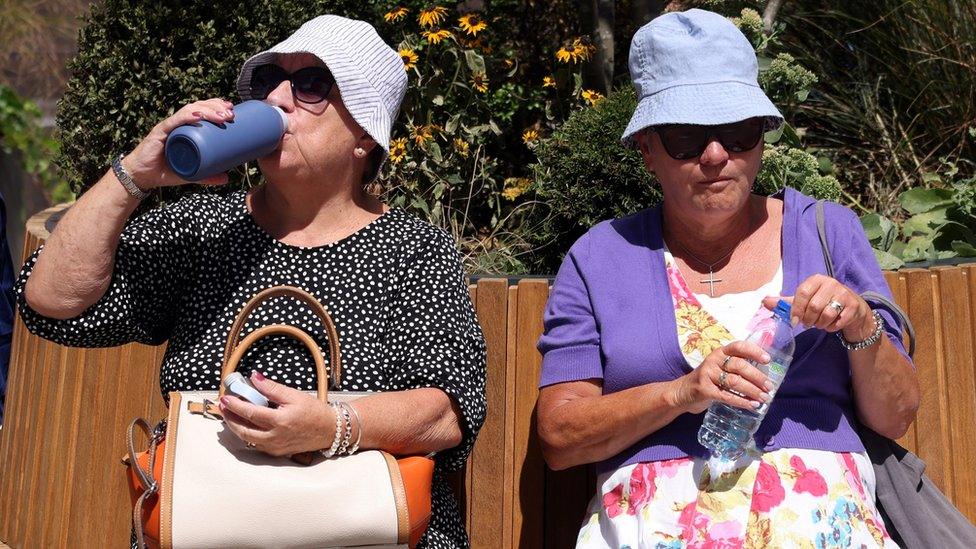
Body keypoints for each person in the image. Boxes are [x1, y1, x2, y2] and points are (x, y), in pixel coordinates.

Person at [16, 15, 486, 548]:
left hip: (364, 532)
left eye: (311, 84)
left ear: (364, 132)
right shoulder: (205, 229)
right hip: (205, 523)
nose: (279, 98)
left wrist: (331, 426)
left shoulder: (414, 249)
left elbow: (448, 412)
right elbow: (52, 302)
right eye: (268, 82)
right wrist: (136, 174)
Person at [535, 9, 919, 548]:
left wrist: (859, 324)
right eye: (687, 139)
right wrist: (681, 393)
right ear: (647, 147)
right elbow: (560, 436)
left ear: (761, 137)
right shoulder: (600, 258)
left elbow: (898, 415)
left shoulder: (828, 232)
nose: (716, 156)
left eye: (737, 132)